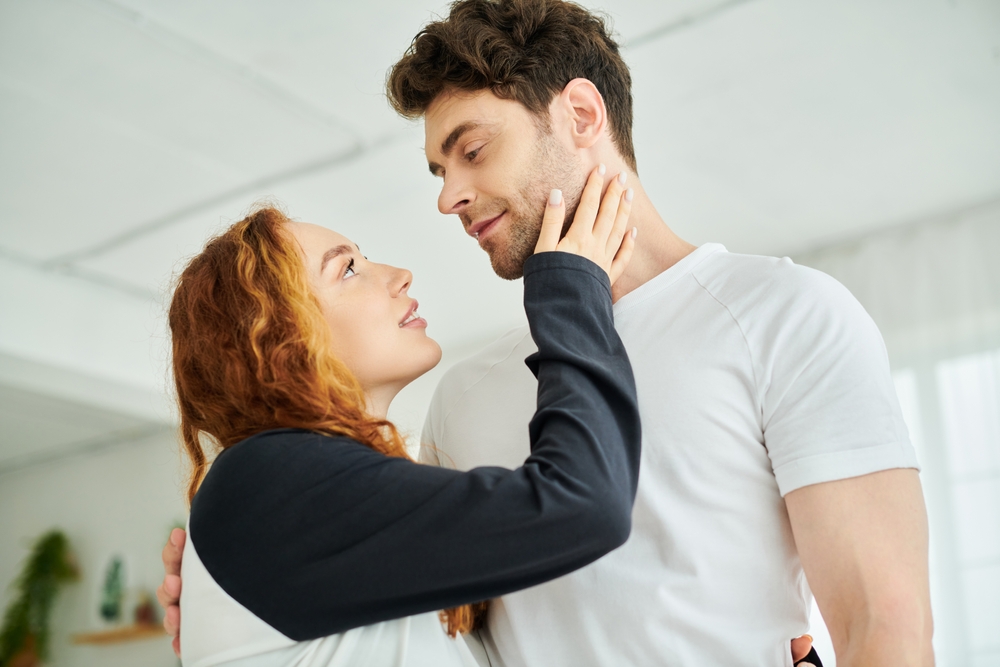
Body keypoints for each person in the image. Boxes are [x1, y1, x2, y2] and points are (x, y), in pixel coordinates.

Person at [161, 1, 934, 665]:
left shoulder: (785, 313)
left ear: (582, 116)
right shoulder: (462, 397)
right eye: (439, 171)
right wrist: (227, 593)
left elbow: (883, 623)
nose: (449, 199)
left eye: (472, 150)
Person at [168, 169, 642, 666]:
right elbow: (585, 507)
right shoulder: (263, 484)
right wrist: (568, 292)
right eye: (347, 269)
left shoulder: (281, 501)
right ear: (278, 340)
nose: (399, 274)